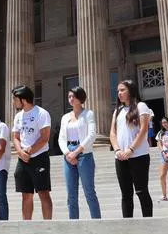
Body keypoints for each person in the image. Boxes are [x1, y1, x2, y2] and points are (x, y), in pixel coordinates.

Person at [110, 78, 153, 217]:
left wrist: (130, 150)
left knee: (141, 191)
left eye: (122, 90)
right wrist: (117, 150)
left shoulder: (141, 106)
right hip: (121, 157)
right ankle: (128, 224)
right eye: (118, 91)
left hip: (138, 156)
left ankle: (148, 222)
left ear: (131, 90)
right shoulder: (118, 111)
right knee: (126, 194)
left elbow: (143, 130)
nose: (119, 93)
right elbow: (112, 133)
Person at [58, 86, 101, 220]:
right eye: (69, 96)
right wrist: (67, 153)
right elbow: (61, 138)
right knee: (71, 194)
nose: (70, 99)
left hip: (84, 153)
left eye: (73, 96)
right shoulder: (65, 117)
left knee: (89, 192)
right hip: (68, 153)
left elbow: (92, 135)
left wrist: (76, 152)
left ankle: (97, 221)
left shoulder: (88, 114)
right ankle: (73, 223)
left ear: (80, 98)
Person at [11, 84, 53, 220]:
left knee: (43, 193)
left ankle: (47, 225)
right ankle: (26, 225)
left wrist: (30, 151)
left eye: (15, 99)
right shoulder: (18, 116)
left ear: (23, 100)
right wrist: (20, 152)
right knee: (26, 194)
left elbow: (45, 137)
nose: (13, 102)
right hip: (22, 160)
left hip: (39, 157)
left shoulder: (41, 113)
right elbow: (15, 137)